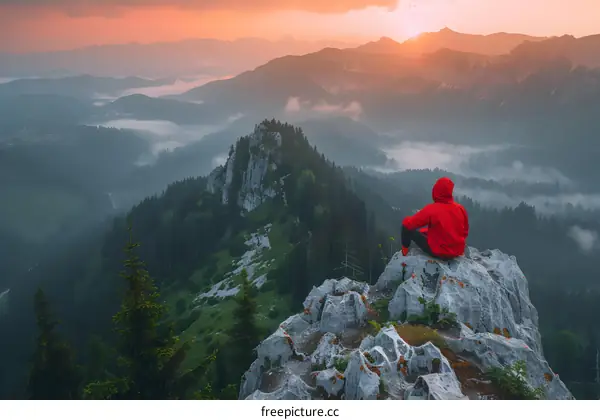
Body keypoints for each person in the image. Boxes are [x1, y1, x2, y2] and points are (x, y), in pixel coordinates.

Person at [401, 177, 469, 260]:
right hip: (457, 251)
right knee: (425, 231)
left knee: (407, 228)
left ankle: (404, 252)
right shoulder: (460, 208)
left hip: (438, 252)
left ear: (435, 191)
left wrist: (406, 220)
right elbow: (465, 232)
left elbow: (409, 224)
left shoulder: (432, 209)